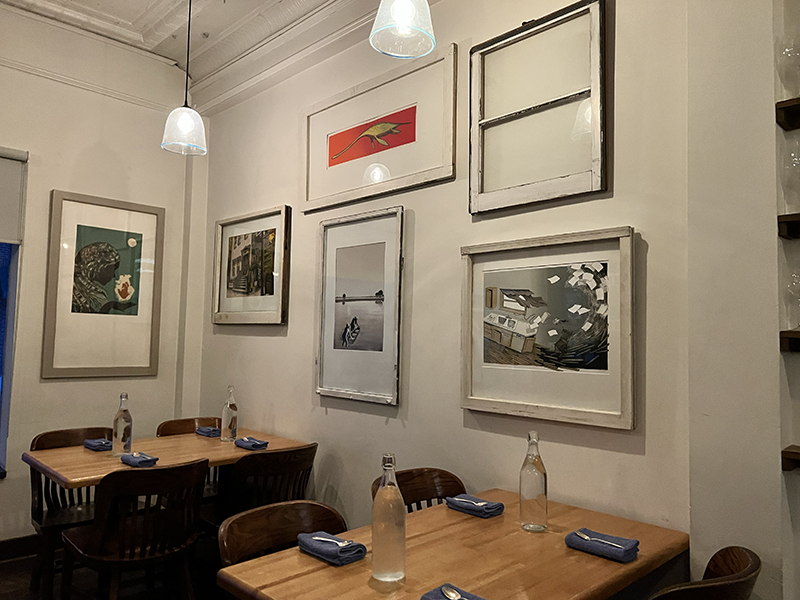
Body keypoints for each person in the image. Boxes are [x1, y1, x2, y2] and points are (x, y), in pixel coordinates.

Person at [71, 242, 135, 314]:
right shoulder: (78, 294)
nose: (113, 275)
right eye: (112, 269)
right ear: (98, 268)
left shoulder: (85, 290)